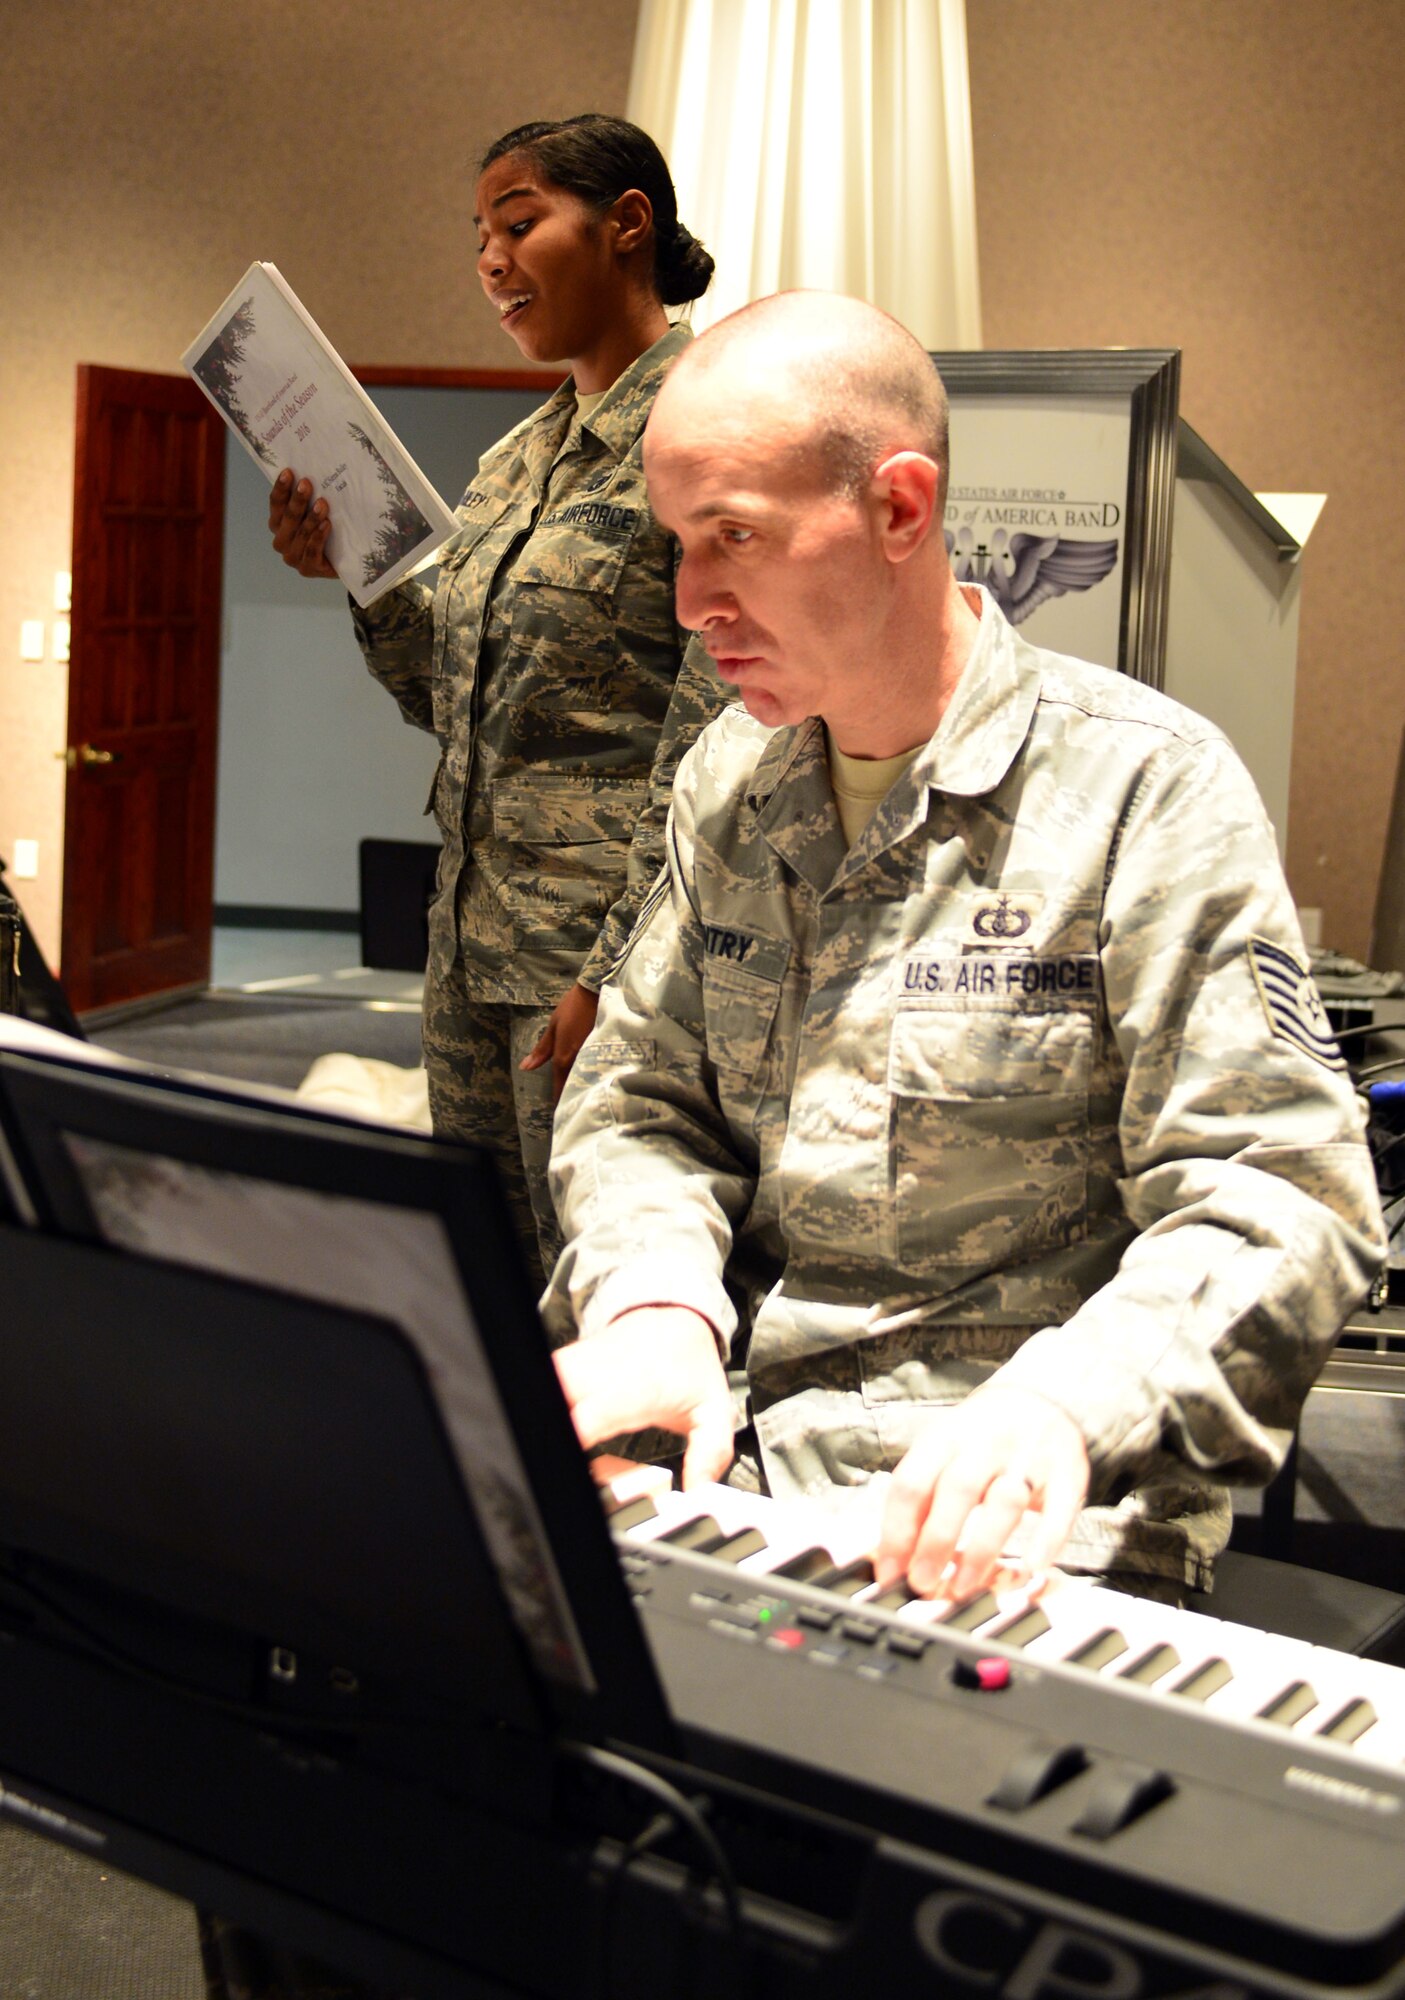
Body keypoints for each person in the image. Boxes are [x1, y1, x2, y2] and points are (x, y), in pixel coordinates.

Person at [543, 290, 1386, 1606]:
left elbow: (1281, 1194)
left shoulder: (1142, 793)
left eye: (736, 539)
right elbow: (643, 1104)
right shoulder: (734, 776)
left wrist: (1068, 1405)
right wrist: (655, 1305)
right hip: (733, 1469)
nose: (694, 599)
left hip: (1025, 1511)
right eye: (676, 545)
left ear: (898, 509)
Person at [268, 114, 729, 1290]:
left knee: (601, 1284)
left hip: (596, 959)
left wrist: (612, 970)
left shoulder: (710, 434)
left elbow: (714, 743)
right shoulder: (514, 460)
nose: (490, 260)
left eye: (519, 224)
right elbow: (450, 697)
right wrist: (359, 579)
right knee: (479, 1277)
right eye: (479, 235)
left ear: (626, 224)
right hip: (470, 949)